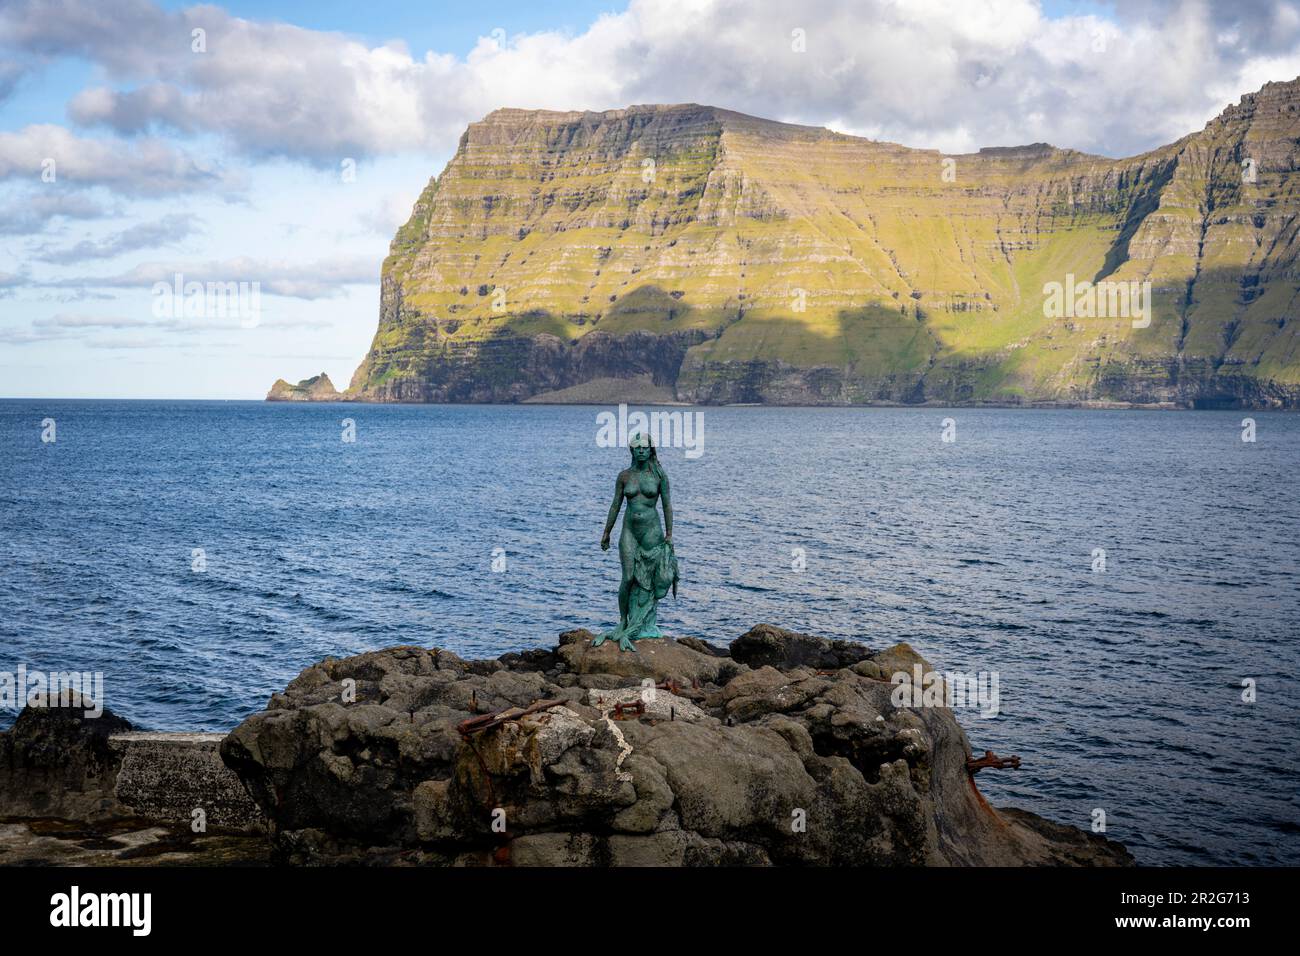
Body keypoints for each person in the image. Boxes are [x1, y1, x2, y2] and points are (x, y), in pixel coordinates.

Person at [596, 431, 679, 651]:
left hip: (652, 531)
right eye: (637, 447)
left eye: (645, 447)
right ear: (632, 449)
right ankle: (624, 620)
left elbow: (667, 505)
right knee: (628, 577)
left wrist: (669, 535)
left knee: (650, 581)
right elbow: (615, 505)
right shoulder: (624, 476)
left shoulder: (659, 475)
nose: (641, 451)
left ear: (651, 449)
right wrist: (607, 532)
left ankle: (645, 623)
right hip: (629, 531)